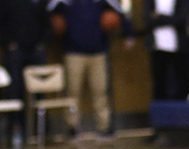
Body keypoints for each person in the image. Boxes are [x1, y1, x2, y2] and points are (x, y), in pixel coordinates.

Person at [47, 0, 134, 140]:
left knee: (100, 90)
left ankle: (104, 127)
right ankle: (72, 127)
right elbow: (47, 12)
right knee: (73, 91)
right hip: (73, 52)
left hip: (98, 52)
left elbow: (121, 10)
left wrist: (128, 32)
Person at [0, 0, 51, 148]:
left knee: (39, 90)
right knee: (15, 91)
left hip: (35, 50)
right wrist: (9, 43)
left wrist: (41, 42)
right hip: (15, 51)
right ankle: (17, 128)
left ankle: (40, 130)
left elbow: (47, 23)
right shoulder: (5, 3)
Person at [144, 0, 189, 102]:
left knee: (182, 81)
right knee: (159, 82)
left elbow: (183, 19)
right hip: (157, 47)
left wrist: (160, 17)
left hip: (180, 47)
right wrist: (170, 18)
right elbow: (147, 20)